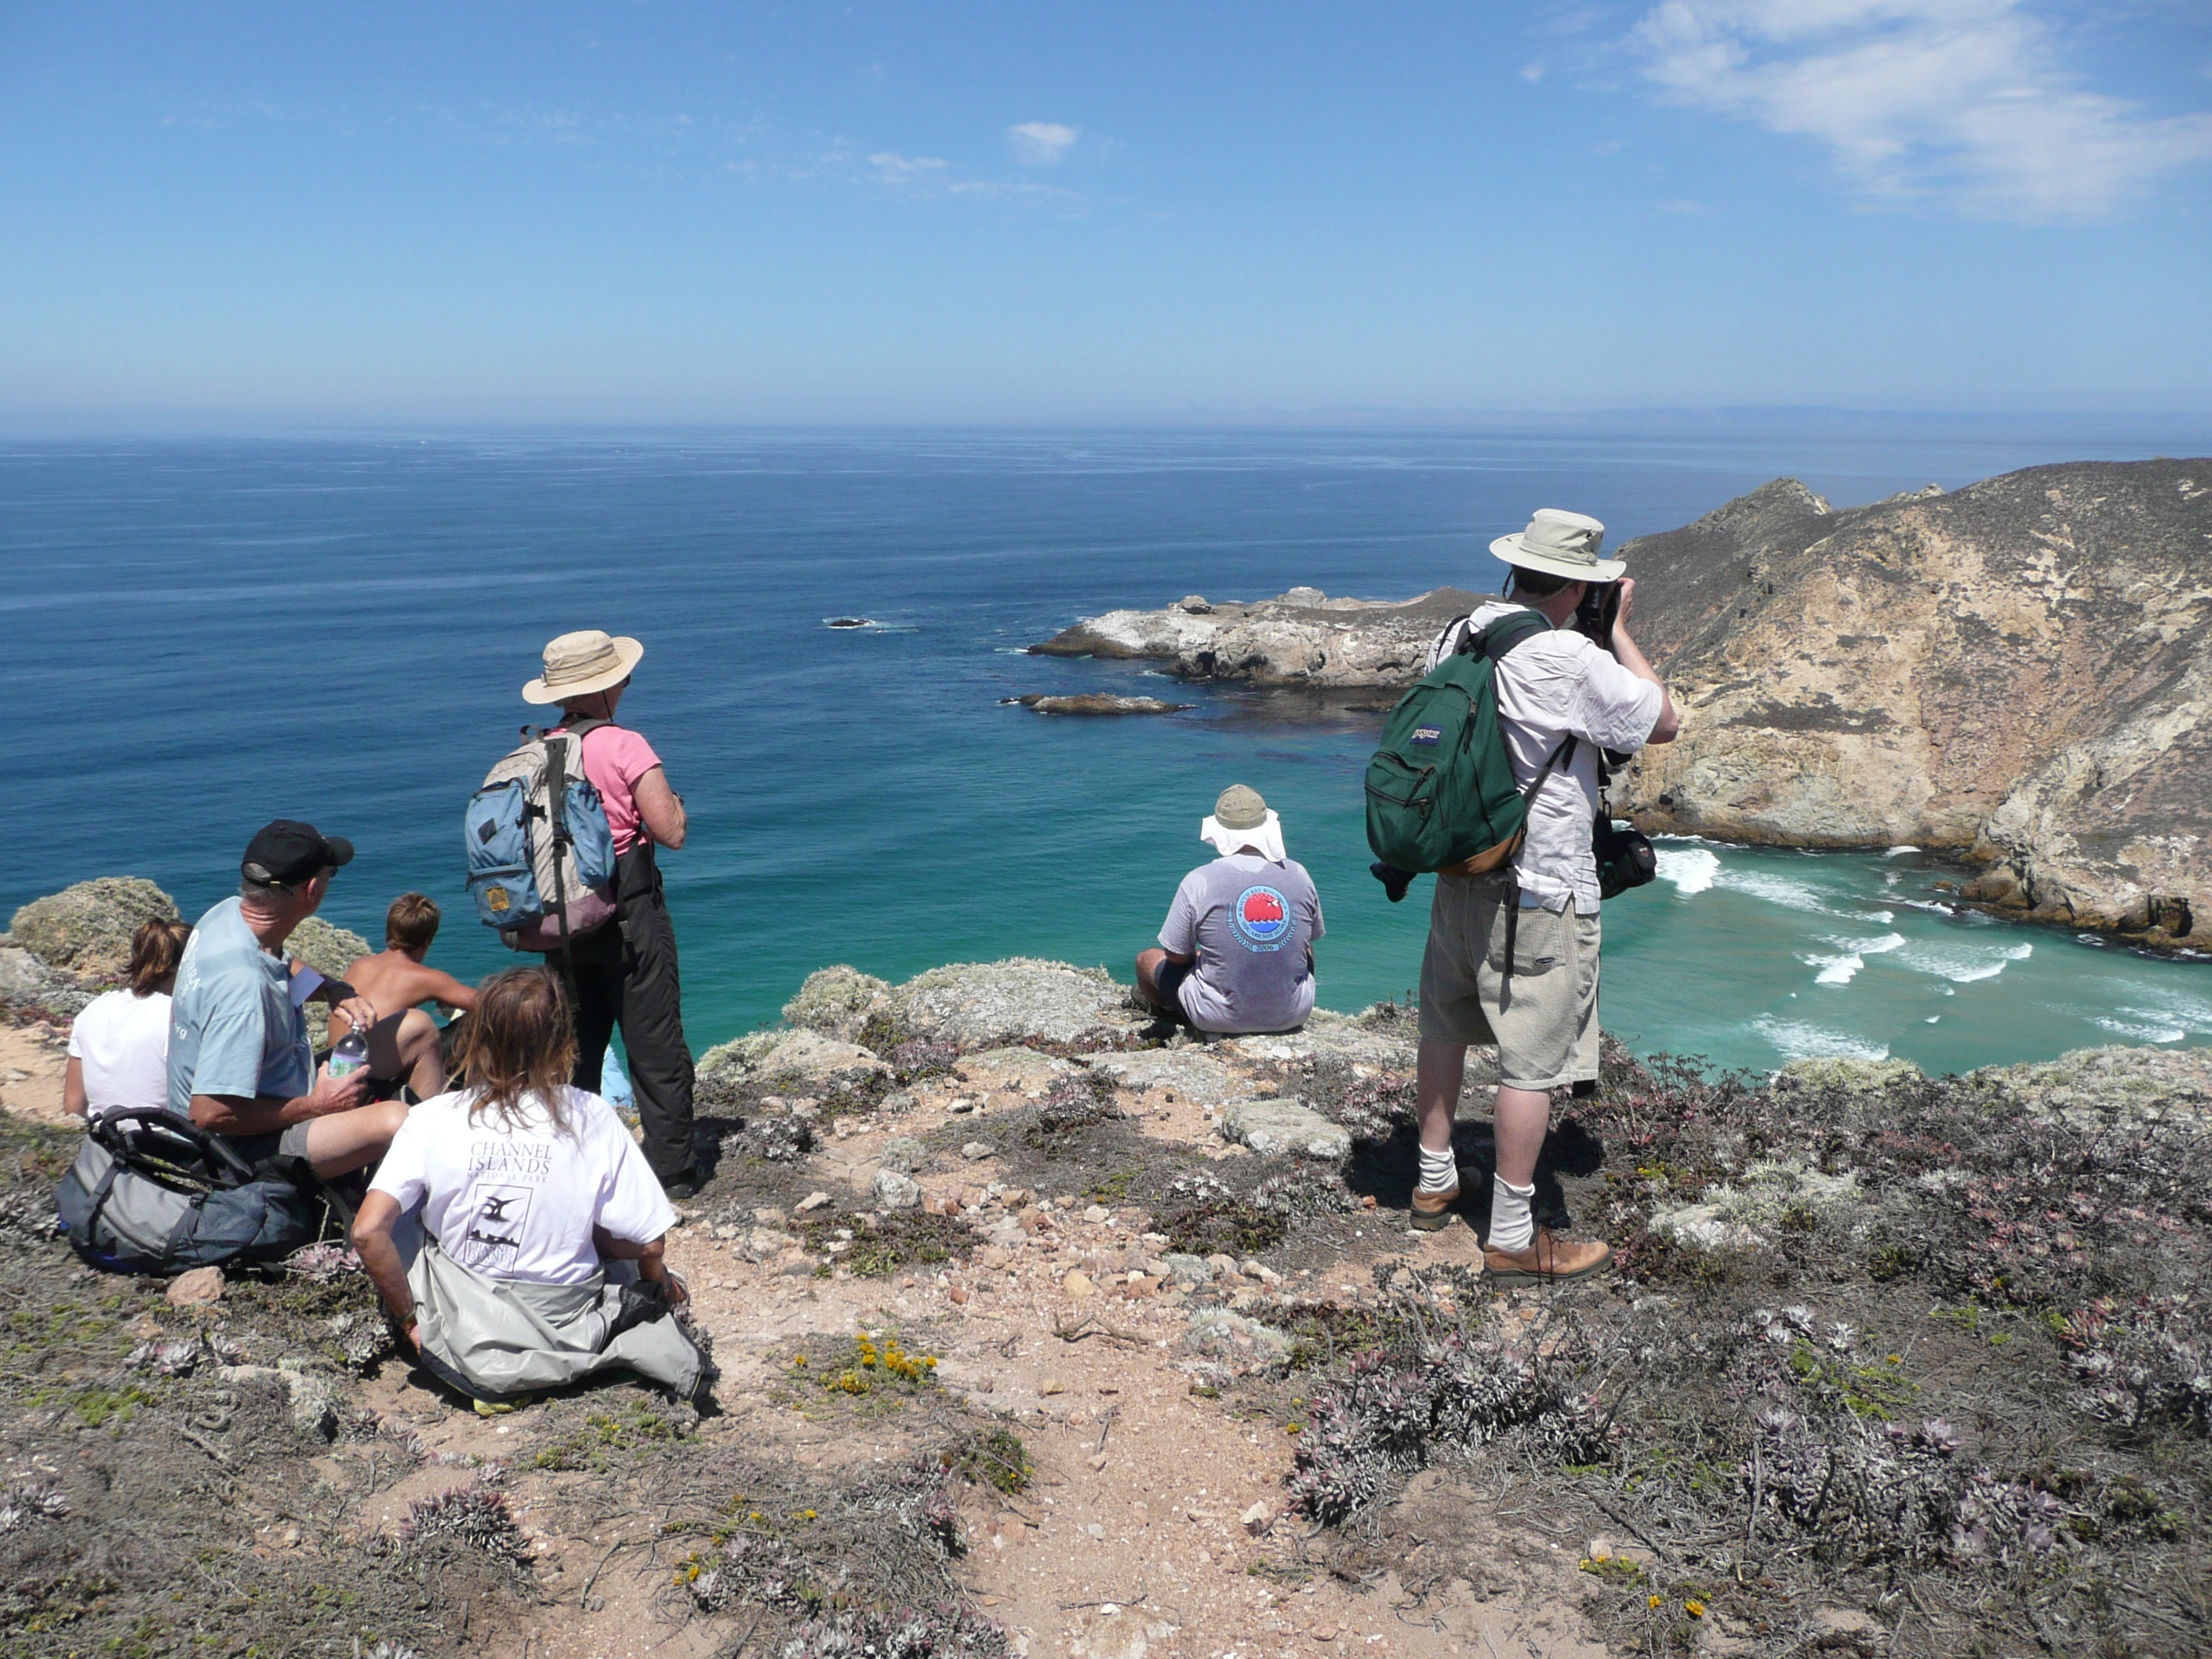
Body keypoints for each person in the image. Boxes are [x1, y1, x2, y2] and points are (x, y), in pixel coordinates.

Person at [1409, 508, 1678, 1280]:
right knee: (1529, 1065)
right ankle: (1513, 1237)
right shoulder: (1568, 657)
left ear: (1518, 569)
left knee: (1445, 1026)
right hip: (1538, 890)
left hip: (1460, 871)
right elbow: (1660, 721)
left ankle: (1433, 1185)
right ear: (1581, 584)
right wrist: (1620, 630)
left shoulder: (1459, 633)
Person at [350, 966, 710, 1413]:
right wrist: (656, 1287)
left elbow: (367, 1232)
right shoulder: (591, 1115)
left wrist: (411, 1323)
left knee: (406, 1214)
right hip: (565, 1320)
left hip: (464, 1317)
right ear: (563, 1040)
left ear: (475, 1037)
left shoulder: (431, 1118)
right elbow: (650, 1242)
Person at [522, 629, 701, 1197]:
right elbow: (669, 831)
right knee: (653, 1042)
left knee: (572, 1048)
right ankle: (672, 1172)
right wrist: (676, 806)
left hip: (560, 921)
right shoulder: (625, 745)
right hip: (628, 914)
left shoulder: (533, 751)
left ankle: (571, 1174)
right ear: (610, 685)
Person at [168, 820, 406, 1177]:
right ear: (311, 890)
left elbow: (279, 962)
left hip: (275, 1090)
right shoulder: (244, 990)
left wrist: (331, 990)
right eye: (329, 875)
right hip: (234, 1151)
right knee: (398, 1120)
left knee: (413, 1028)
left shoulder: (229, 914)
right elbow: (207, 1113)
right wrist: (318, 1104)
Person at [1136, 785, 1325, 1037]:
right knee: (1304, 946)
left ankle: (1169, 1013)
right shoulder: (1299, 874)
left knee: (1147, 960)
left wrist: (1206, 960)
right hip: (1294, 1014)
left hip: (1218, 1018)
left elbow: (1176, 956)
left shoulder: (1199, 881)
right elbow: (1308, 940)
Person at [328, 892, 477, 1101]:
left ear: (389, 931)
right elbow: (489, 1003)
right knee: (469, 1023)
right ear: (427, 941)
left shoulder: (359, 964)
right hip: (367, 1079)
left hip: (333, 1067)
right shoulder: (426, 978)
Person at [65, 917, 193, 1121]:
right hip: (167, 1145)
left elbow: (74, 1106)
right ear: (186, 966)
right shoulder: (179, 1018)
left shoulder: (94, 1010)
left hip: (105, 1142)